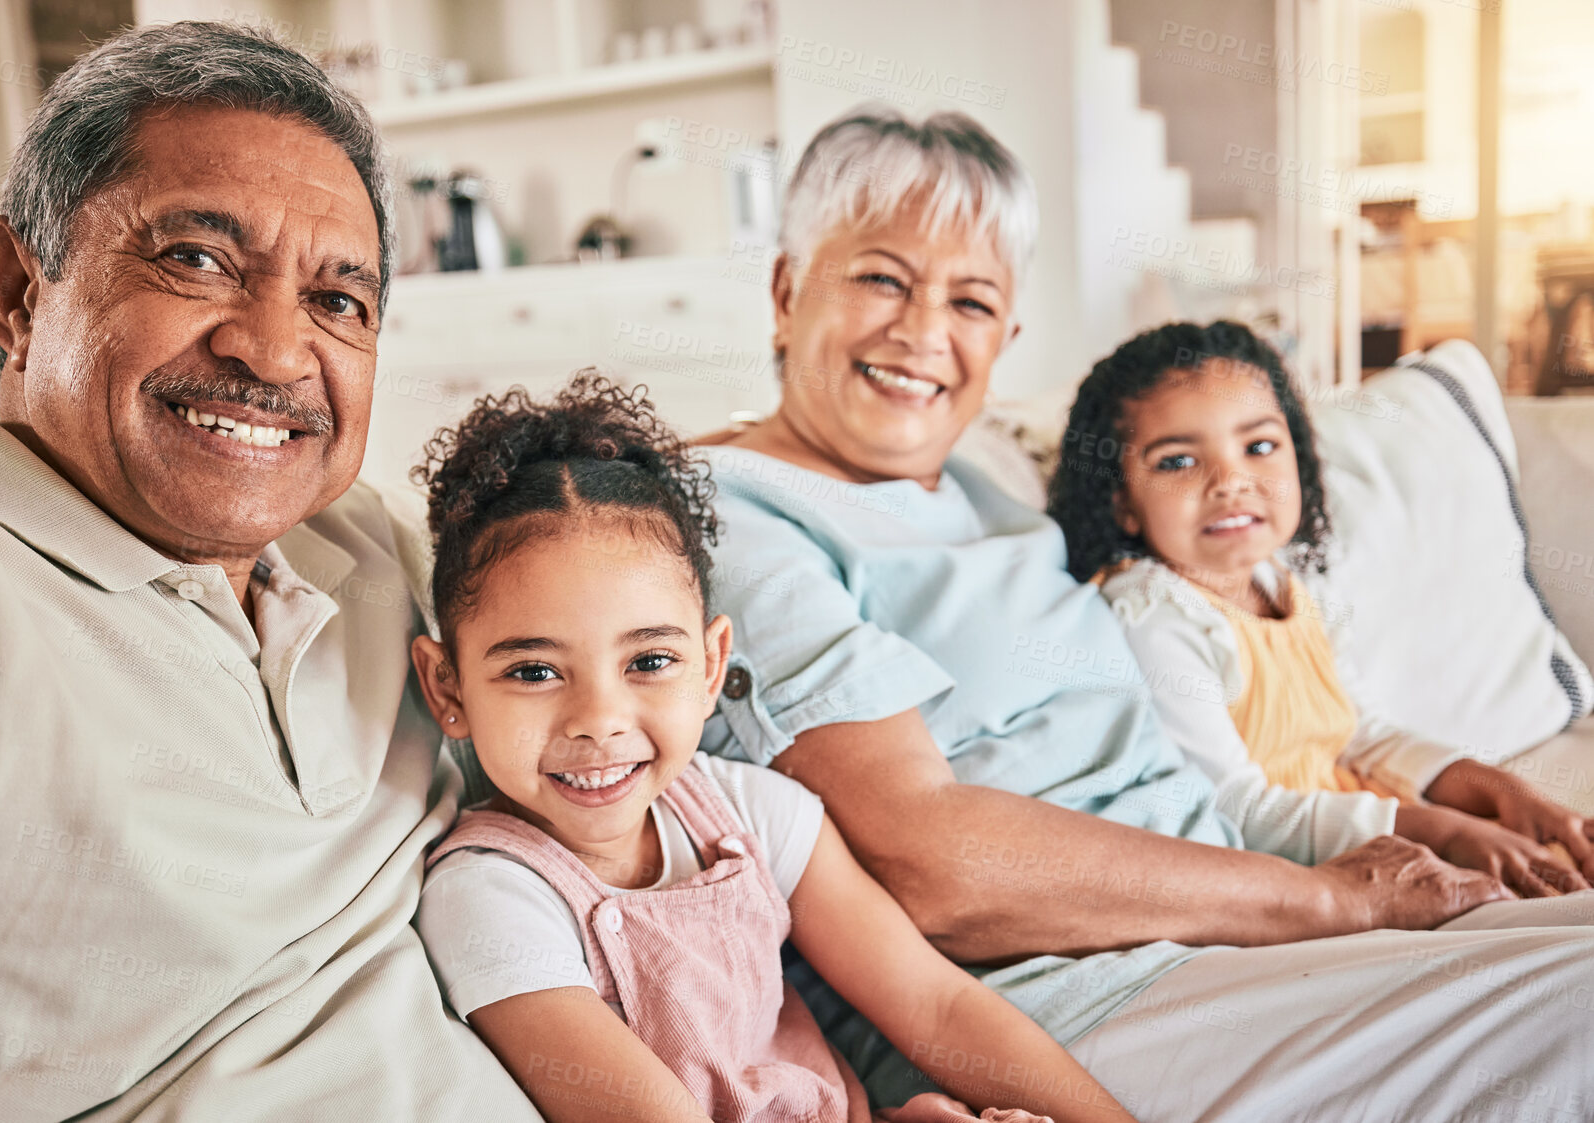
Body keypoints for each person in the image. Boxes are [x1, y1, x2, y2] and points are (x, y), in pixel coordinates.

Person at [695, 103, 1594, 1120]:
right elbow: (927, 860)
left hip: (1229, 925)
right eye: (879, 279)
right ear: (783, 291)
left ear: (1007, 339)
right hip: (1061, 1000)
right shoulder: (732, 511)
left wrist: (1377, 846)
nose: (923, 333)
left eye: (972, 302)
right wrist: (1325, 899)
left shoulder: (985, 498)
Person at [0, 22, 538, 1121]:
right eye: (195, 259)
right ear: (18, 290)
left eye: (338, 300)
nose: (277, 351)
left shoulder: (359, 541)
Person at [409, 373, 1129, 1123]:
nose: (599, 719)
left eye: (649, 662)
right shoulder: (490, 895)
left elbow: (937, 1003)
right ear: (449, 688)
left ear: (712, 664)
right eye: (534, 670)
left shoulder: (752, 811)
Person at [1050, 319, 1594, 896]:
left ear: (1300, 458)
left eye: (1259, 447)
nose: (1230, 481)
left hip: (1361, 828)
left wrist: (1496, 791)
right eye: (1177, 461)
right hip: (1300, 881)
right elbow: (1233, 810)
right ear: (1122, 503)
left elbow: (1362, 734)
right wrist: (1442, 831)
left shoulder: (1280, 579)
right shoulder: (1153, 615)